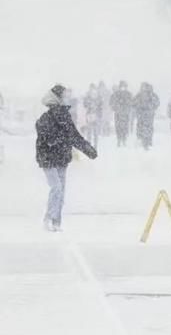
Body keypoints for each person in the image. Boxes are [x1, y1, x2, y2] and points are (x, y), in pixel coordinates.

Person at [35, 84, 97, 231]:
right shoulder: (46, 118)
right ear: (57, 98)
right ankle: (48, 219)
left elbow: (74, 136)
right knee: (56, 188)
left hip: (61, 157)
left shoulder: (65, 116)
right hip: (48, 158)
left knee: (61, 190)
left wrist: (88, 149)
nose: (67, 98)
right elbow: (47, 138)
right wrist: (60, 138)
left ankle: (56, 222)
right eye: (64, 95)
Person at [133, 83, 160, 150]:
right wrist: (152, 108)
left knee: (142, 127)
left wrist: (138, 107)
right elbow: (157, 103)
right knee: (148, 127)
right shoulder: (152, 94)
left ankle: (143, 140)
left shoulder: (140, 95)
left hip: (142, 114)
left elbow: (133, 103)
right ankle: (147, 140)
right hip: (148, 114)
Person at [109, 81, 134, 147]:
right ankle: (119, 139)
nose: (123, 88)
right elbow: (111, 102)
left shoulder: (128, 94)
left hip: (125, 113)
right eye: (121, 86)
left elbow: (132, 103)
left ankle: (124, 139)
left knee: (125, 127)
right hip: (118, 113)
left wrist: (128, 108)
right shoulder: (116, 94)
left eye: (124, 86)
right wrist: (115, 108)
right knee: (118, 127)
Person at [83, 83, 102, 148]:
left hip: (96, 115)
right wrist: (88, 104)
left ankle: (95, 145)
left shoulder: (98, 97)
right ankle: (89, 144)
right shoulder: (87, 96)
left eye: (93, 88)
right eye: (91, 88)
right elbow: (84, 105)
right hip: (89, 115)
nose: (92, 90)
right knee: (89, 130)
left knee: (95, 131)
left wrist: (99, 114)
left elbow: (100, 106)